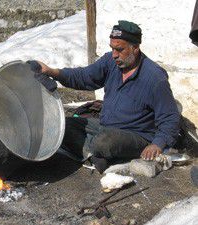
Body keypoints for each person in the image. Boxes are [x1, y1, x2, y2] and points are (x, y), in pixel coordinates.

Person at [37, 20, 181, 172]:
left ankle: (96, 151)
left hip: (136, 136)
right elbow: (84, 77)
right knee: (61, 127)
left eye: (119, 50)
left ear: (135, 48)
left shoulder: (154, 78)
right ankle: (96, 155)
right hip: (105, 127)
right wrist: (52, 72)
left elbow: (170, 117)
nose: (114, 55)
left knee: (104, 142)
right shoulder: (110, 62)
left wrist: (157, 144)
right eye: (112, 49)